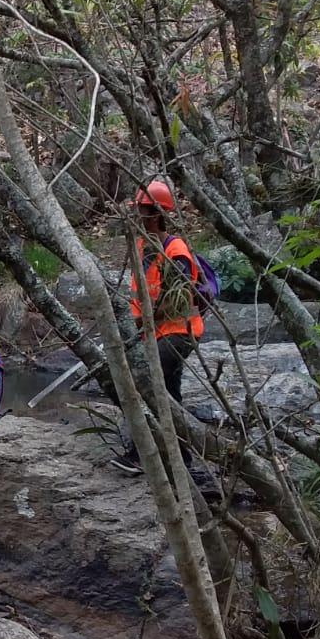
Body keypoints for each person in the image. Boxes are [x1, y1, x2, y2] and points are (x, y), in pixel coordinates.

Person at [109, 180, 204, 475]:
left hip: (178, 332)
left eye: (144, 211)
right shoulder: (140, 245)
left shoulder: (176, 251)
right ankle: (182, 460)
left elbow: (177, 300)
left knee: (145, 384)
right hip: (150, 332)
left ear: (158, 214)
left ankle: (142, 455)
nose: (139, 217)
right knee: (170, 396)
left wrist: (141, 320)